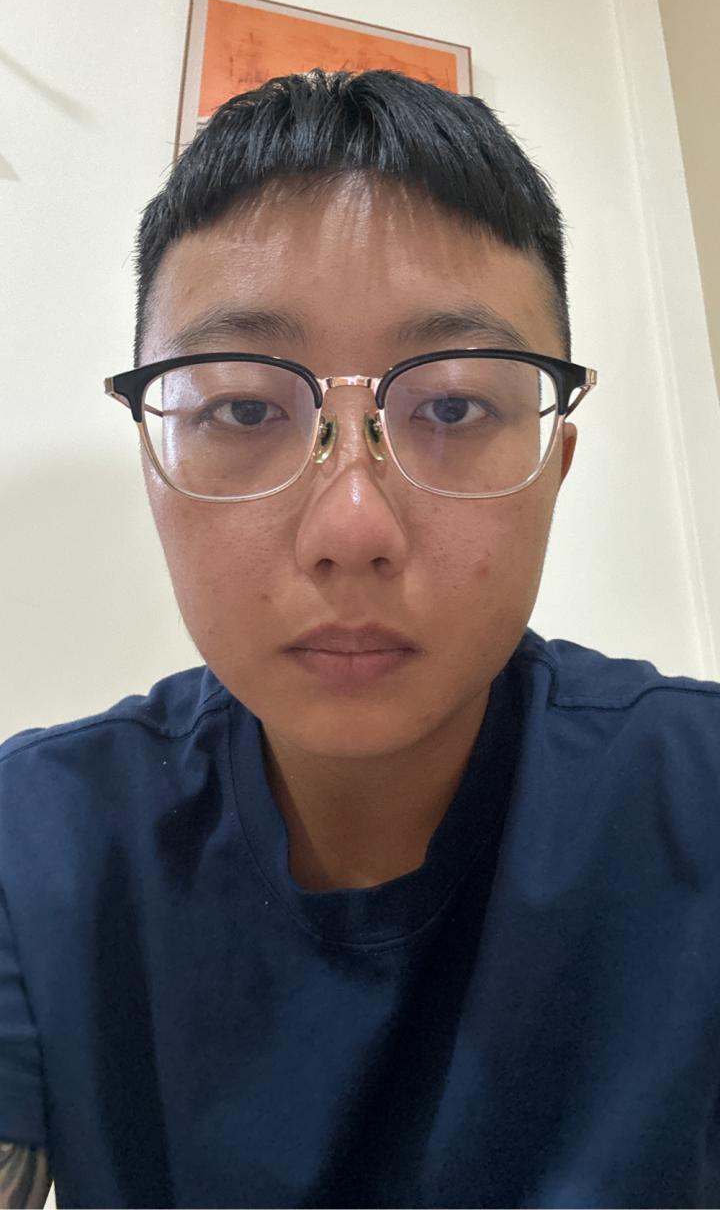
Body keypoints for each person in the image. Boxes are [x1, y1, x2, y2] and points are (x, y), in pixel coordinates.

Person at [1, 69, 718, 1210]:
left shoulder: (698, 800)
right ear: (154, 467)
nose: (351, 529)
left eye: (453, 407)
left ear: (555, 468)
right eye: (244, 408)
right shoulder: (34, 843)